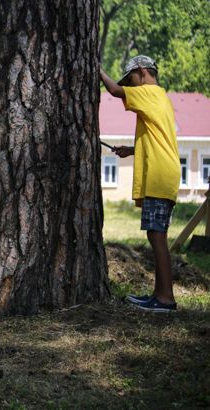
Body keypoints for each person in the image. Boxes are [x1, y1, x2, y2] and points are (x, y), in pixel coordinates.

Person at [100, 55, 180, 313]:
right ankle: (159, 294)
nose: (130, 86)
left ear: (143, 72)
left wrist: (96, 68)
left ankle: (166, 298)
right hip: (162, 173)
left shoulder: (148, 91)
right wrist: (133, 149)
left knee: (158, 236)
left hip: (158, 176)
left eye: (131, 79)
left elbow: (113, 90)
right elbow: (159, 138)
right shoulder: (161, 98)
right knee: (154, 234)